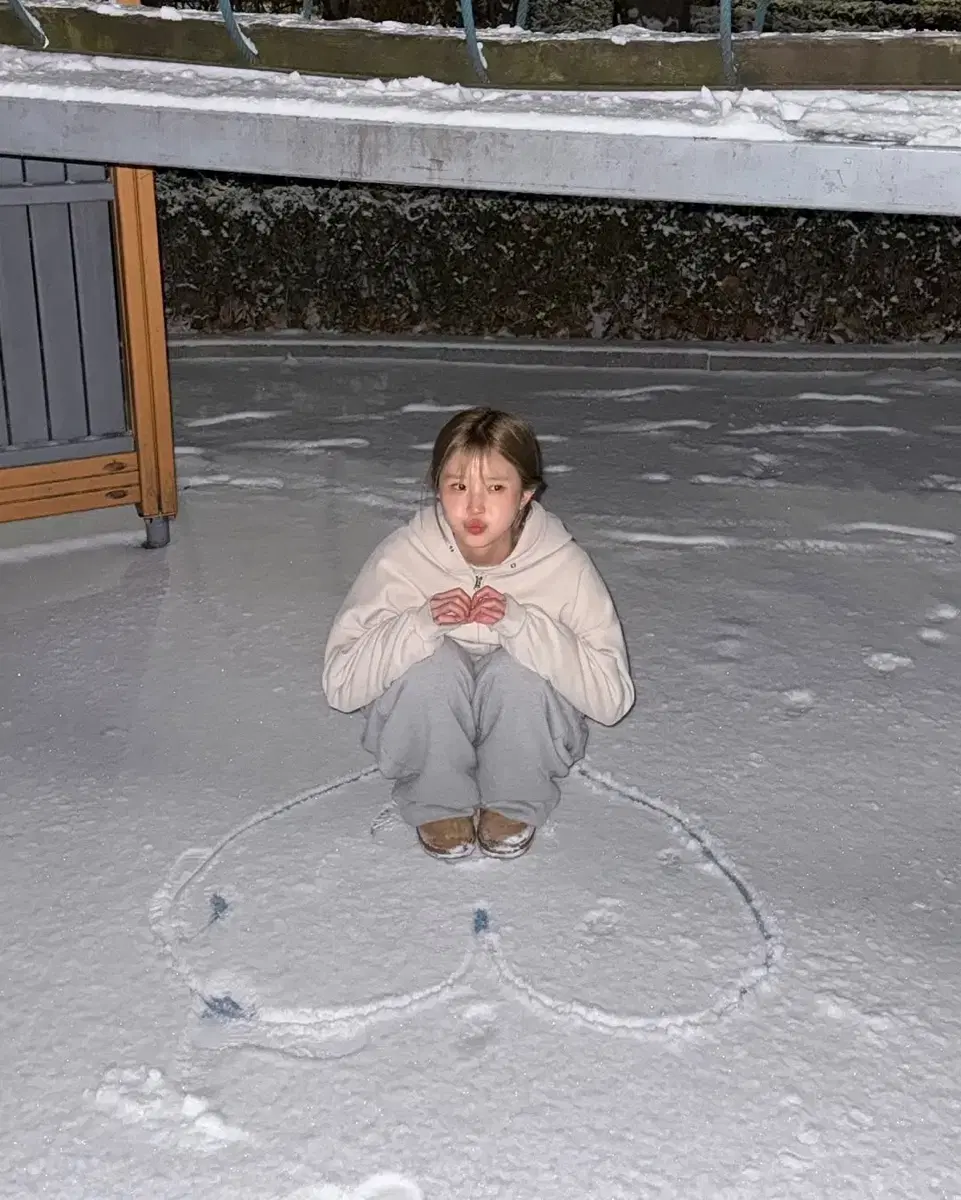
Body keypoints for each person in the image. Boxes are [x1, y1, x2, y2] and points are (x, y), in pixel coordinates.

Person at [322, 407, 634, 861]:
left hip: (527, 730)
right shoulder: (403, 557)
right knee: (431, 669)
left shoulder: (563, 566)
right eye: (458, 486)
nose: (474, 507)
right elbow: (340, 685)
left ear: (526, 494)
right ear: (438, 489)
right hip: (426, 726)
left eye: (495, 487)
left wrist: (526, 627)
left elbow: (612, 699)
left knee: (518, 674)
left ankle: (513, 796)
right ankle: (437, 798)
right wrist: (418, 625)